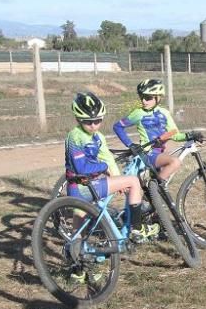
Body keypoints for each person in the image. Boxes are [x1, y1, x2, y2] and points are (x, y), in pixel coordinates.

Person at [65, 92, 158, 243]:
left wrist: (116, 177)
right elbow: (82, 168)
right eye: (88, 122)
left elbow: (108, 158)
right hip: (82, 187)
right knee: (134, 181)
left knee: (78, 234)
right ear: (77, 119)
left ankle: (75, 257)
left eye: (98, 120)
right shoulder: (75, 136)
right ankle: (137, 228)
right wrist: (104, 167)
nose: (93, 125)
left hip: (82, 186)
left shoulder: (98, 137)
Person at [112, 78, 187, 183]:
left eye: (148, 98)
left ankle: (152, 193)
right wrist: (130, 145)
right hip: (147, 153)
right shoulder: (138, 113)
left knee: (155, 194)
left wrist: (189, 136)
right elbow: (117, 127)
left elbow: (175, 135)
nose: (143, 101)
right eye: (141, 97)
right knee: (175, 162)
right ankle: (155, 187)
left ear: (158, 98)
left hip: (158, 154)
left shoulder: (165, 113)